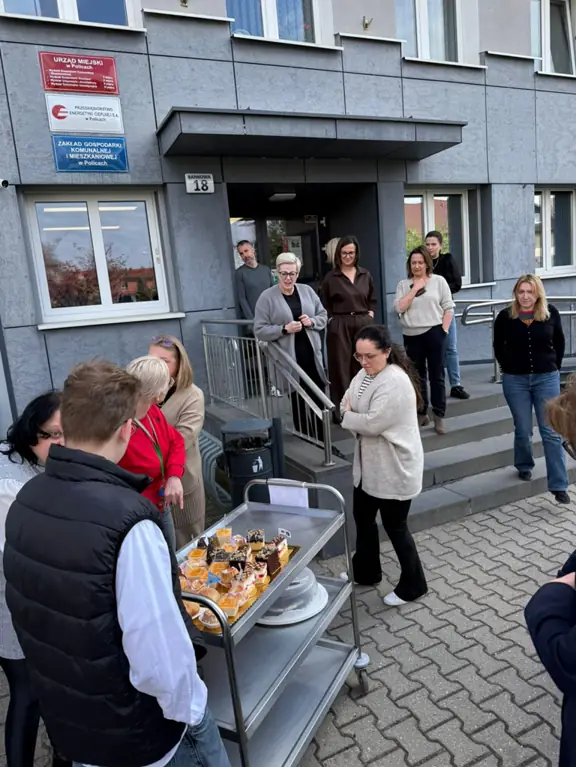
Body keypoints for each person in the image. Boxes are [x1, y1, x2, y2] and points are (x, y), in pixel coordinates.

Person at [4, 360, 230, 767]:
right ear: (126, 428)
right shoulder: (128, 523)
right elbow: (159, 659)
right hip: (144, 737)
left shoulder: (25, 501)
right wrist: (193, 711)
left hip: (80, 730)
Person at [340, 325, 427, 607]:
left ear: (387, 352)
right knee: (363, 519)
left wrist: (348, 416)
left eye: (370, 356)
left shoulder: (394, 382)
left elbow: (371, 423)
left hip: (394, 468)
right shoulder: (364, 375)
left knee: (395, 526)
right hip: (368, 469)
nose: (364, 362)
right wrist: (351, 414)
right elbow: (345, 401)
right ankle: (366, 572)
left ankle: (414, 584)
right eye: (359, 356)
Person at [0, 393, 66, 767]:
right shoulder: (8, 483)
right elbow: (26, 551)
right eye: (52, 434)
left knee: (43, 689)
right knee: (26, 692)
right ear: (30, 431)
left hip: (32, 598)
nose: (61, 443)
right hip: (10, 602)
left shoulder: (35, 461)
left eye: (68, 433)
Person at [494, 274, 569, 504]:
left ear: (538, 294)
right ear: (516, 294)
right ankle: (524, 464)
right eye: (521, 292)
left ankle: (559, 485)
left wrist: (553, 367)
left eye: (530, 292)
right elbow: (498, 346)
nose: (525, 296)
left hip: (546, 378)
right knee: (523, 428)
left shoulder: (550, 313)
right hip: (515, 380)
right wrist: (507, 367)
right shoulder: (505, 317)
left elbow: (559, 343)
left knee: (551, 431)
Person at [254, 252, 328, 443]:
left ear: (297, 273)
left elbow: (323, 315)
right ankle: (307, 441)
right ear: (277, 273)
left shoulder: (307, 291)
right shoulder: (267, 297)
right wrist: (283, 329)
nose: (288, 278)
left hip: (311, 356)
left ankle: (323, 442)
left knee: (319, 399)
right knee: (298, 402)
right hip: (289, 360)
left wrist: (311, 321)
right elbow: (260, 330)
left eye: (292, 273)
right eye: (284, 273)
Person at [119, 356, 186, 550]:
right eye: (168, 383)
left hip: (161, 504)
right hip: (138, 515)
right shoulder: (121, 427)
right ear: (157, 393)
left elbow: (176, 441)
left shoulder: (152, 411)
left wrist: (174, 476)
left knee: (170, 556)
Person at [148, 335, 206, 547]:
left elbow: (183, 438)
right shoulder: (145, 393)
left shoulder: (192, 395)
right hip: (152, 483)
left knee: (189, 543)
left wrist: (144, 447)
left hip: (182, 480)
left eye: (164, 361)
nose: (156, 366)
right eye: (151, 359)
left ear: (179, 364)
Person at [394, 246, 454, 435]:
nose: (417, 266)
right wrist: (415, 289)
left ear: (427, 263)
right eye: (413, 263)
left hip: (434, 332)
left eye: (420, 262)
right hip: (411, 335)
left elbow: (449, 308)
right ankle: (421, 412)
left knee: (437, 376)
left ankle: (439, 414)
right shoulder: (403, 285)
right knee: (416, 376)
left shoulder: (439, 281)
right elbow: (399, 308)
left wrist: (444, 330)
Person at [320, 235, 376, 418]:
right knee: (340, 367)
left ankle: (363, 406)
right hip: (340, 324)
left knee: (364, 364)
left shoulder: (365, 274)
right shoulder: (331, 277)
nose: (347, 256)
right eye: (344, 253)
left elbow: (372, 299)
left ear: (356, 253)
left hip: (362, 322)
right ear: (338, 254)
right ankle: (342, 410)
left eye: (351, 253)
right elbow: (324, 303)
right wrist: (331, 321)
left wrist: (370, 314)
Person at [425, 231, 470, 400]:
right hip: (428, 311)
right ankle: (436, 386)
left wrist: (439, 291)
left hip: (445, 309)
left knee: (450, 347)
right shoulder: (422, 262)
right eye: (427, 244)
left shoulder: (447, 260)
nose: (430, 248)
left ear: (440, 246)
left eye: (433, 244)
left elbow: (457, 284)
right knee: (433, 349)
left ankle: (456, 385)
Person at [235, 240, 274, 322]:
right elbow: (242, 299)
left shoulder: (266, 270)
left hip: (272, 316)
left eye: (246, 251)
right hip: (255, 319)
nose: (245, 255)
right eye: (241, 253)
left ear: (253, 249)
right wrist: (251, 320)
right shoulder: (240, 273)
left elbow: (274, 293)